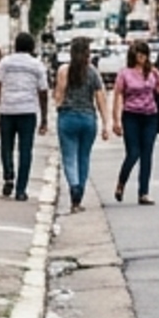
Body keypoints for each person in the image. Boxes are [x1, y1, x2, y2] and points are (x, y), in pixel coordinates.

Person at [51, 35, 110, 212]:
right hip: (88, 118)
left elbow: (59, 96)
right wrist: (106, 124)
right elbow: (101, 99)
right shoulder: (93, 72)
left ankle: (74, 188)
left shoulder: (64, 70)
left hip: (68, 117)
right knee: (84, 157)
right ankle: (79, 196)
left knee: (69, 157)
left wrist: (58, 108)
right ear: (87, 53)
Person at [0, 32, 49, 201]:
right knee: (25, 151)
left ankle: (9, 176)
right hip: (27, 111)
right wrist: (44, 118)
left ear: (15, 46)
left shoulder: (5, 62)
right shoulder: (36, 65)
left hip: (7, 110)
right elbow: (43, 92)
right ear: (32, 47)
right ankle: (21, 190)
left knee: (6, 147)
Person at [111, 40, 159, 205]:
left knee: (147, 154)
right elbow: (117, 95)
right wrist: (116, 120)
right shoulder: (125, 73)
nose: (141, 57)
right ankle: (121, 183)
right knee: (133, 153)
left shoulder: (152, 73)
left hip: (150, 116)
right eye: (138, 54)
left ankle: (144, 192)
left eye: (144, 54)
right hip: (131, 115)